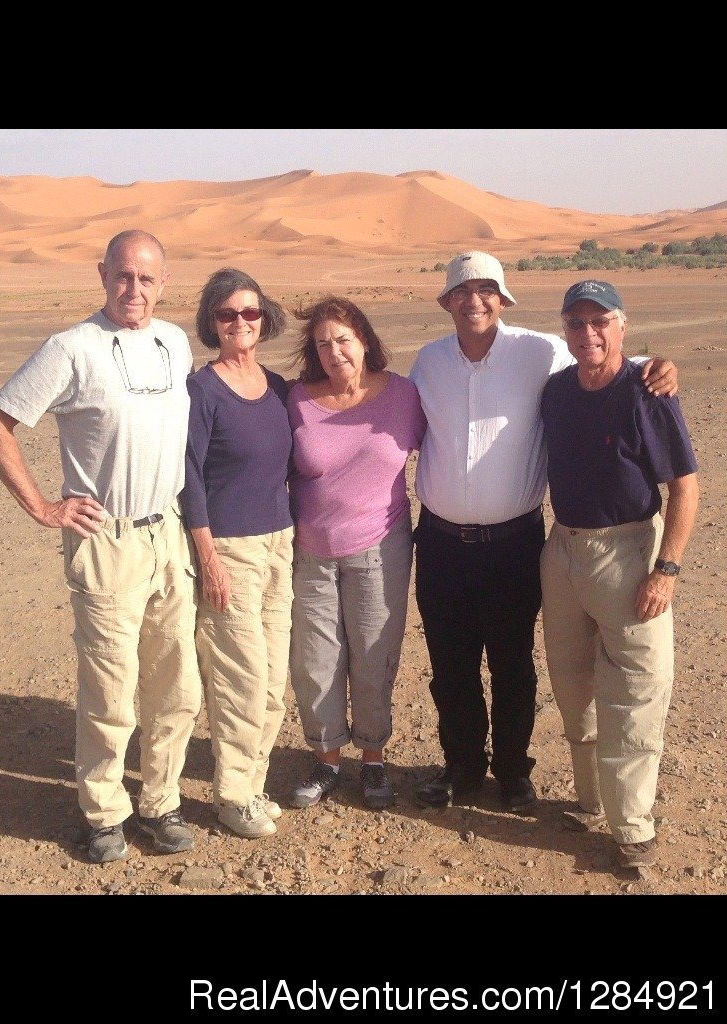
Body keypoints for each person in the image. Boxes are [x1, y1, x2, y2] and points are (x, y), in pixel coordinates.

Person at [409, 251, 679, 813]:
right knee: (450, 662)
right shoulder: (428, 361)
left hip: (514, 543)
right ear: (446, 302)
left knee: (512, 660)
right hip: (439, 542)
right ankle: (461, 766)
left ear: (503, 299)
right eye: (463, 291)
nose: (474, 301)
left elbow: (606, 358)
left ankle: (511, 770)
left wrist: (661, 363)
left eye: (487, 290)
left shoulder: (538, 350)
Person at [0, 230, 202, 864]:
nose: (136, 290)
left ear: (164, 282)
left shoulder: (174, 342)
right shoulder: (71, 349)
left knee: (176, 683)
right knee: (110, 688)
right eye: (124, 276)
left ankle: (161, 801)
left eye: (148, 279)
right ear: (103, 274)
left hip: (168, 535)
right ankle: (103, 811)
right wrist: (45, 506)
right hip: (107, 542)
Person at [540, 280, 698, 868]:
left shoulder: (648, 391)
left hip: (630, 550)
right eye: (577, 324)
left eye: (600, 322)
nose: (589, 334)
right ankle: (591, 797)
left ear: (621, 326)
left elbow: (685, 485)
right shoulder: (555, 391)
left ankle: (631, 826)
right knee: (572, 682)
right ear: (564, 330)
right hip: (564, 550)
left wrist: (667, 570)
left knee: (635, 690)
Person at [286, 297, 426, 811]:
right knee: (315, 661)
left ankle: (372, 759)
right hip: (311, 551)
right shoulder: (297, 399)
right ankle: (326, 761)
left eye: (343, 339)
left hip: (380, 546)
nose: (335, 351)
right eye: (323, 343)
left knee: (373, 655)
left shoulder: (405, 395)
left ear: (364, 340)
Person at [181, 268, 294, 840]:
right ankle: (231, 795)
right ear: (212, 322)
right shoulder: (203, 390)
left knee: (274, 680)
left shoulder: (275, 385)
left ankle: (254, 783)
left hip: (280, 544)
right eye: (228, 315)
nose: (240, 323)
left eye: (250, 313)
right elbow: (189, 477)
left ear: (264, 318)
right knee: (239, 679)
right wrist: (208, 557)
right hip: (229, 547)